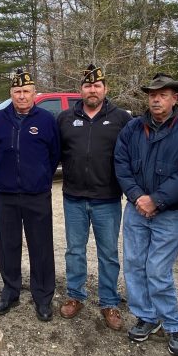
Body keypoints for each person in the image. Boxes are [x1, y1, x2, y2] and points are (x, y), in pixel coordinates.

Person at [114, 73, 178, 355]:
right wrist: (137, 197)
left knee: (157, 269)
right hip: (136, 209)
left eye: (163, 94)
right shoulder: (133, 128)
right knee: (134, 264)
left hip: (171, 213)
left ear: (174, 98)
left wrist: (157, 200)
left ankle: (174, 324)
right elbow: (121, 163)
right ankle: (147, 317)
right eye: (152, 95)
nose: (156, 99)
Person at [57, 64, 132, 330]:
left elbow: (133, 155)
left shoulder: (122, 118)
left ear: (105, 89)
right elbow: (54, 153)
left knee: (109, 253)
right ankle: (76, 296)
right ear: (81, 90)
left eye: (97, 86)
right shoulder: (66, 118)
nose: (92, 90)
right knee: (74, 251)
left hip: (107, 199)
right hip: (74, 197)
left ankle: (109, 301)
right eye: (88, 86)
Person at [0, 68, 60, 322]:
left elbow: (54, 155)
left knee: (41, 245)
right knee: (8, 245)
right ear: (11, 94)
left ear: (34, 93)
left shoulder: (46, 120)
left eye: (26, 91)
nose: (21, 96)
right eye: (17, 91)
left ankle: (43, 297)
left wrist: (39, 176)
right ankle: (11, 290)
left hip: (37, 194)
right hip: (7, 193)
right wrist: (7, 175)